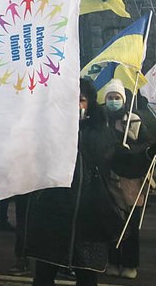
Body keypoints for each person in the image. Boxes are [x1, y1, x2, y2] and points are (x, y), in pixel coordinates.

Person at [26, 79, 118, 286]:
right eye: (71, 99)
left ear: (90, 104)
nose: (77, 104)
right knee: (44, 274)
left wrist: (146, 154)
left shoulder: (99, 132)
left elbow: (117, 161)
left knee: (87, 276)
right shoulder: (48, 129)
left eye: (82, 100)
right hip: (53, 213)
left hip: (88, 217)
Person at [100, 79, 149, 280]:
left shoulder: (134, 121)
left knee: (130, 225)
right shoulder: (100, 120)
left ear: (124, 99)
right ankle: (112, 261)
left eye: (117, 98)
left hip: (131, 182)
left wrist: (130, 147)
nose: (113, 101)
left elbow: (147, 147)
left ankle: (129, 264)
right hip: (108, 181)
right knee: (110, 223)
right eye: (110, 98)